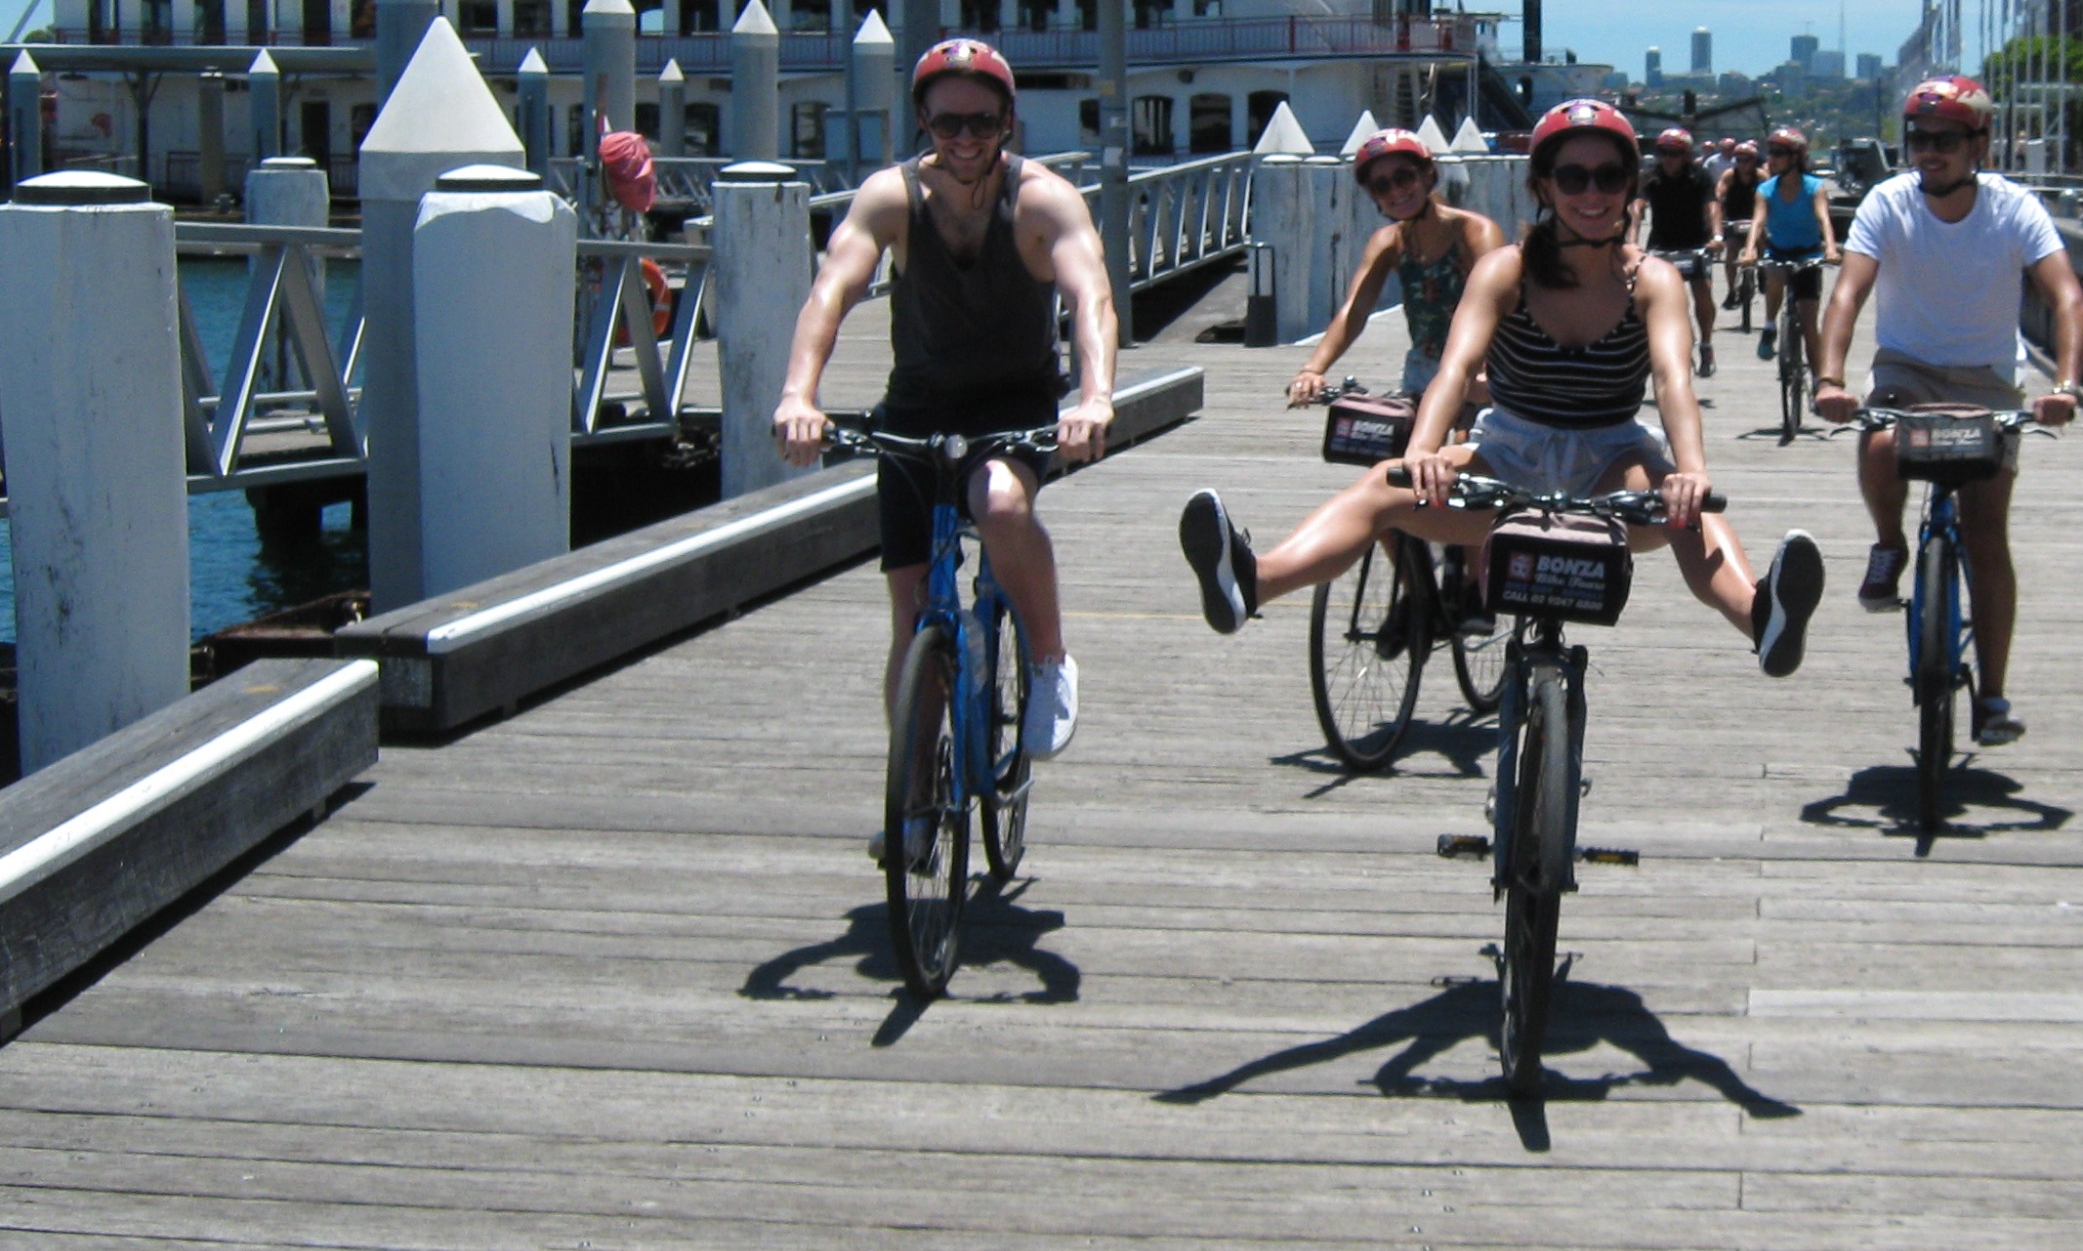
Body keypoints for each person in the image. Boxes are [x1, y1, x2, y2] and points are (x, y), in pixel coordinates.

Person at [1177, 99, 1824, 676]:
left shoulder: (1651, 278)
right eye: (1573, 177)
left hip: (1612, 454)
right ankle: (1251, 583)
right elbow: (1455, 369)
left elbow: (1672, 379)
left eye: (1609, 176)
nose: (1592, 193)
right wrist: (1423, 450)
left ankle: (1761, 617)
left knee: (1691, 516)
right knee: (1379, 489)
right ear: (1543, 185)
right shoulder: (1505, 270)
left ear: (1631, 185)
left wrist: (1691, 470)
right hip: (1508, 449)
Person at [774, 38, 1115, 772]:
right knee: (912, 615)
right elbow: (830, 293)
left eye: (983, 124)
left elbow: (1092, 298)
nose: (965, 140)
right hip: (918, 409)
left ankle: (1051, 659)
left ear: (1009, 123)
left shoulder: (1042, 199)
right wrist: (799, 394)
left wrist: (1095, 397)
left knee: (998, 506)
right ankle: (917, 789)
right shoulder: (891, 197)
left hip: (1013, 405)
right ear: (922, 121)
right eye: (948, 124)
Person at [1810, 77, 2083, 748]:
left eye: (1944, 140)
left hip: (1988, 380)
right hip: (1908, 368)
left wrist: (2068, 387)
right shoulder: (1888, 202)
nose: (1927, 153)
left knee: (1986, 529)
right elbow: (1847, 294)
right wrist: (1829, 378)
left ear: (1979, 144)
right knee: (1879, 443)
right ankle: (1890, 543)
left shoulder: (2015, 209)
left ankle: (1992, 696)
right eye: (1918, 139)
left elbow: (2069, 301)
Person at [1285, 129, 1506, 403]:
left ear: (1427, 174)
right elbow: (1354, 311)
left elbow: (1497, 306)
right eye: (1382, 186)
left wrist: (1484, 369)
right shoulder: (1388, 242)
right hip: (1424, 367)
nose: (1396, 191)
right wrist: (1312, 370)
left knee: (1468, 441)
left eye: (1404, 177)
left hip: (1483, 365)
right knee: (1395, 437)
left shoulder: (1474, 233)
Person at [1636, 125, 1720, 377]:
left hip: (1696, 242)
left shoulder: (1700, 175)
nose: (1668, 159)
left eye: (1674, 153)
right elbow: (1637, 207)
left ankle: (1706, 343)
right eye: (1663, 152)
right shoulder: (1651, 176)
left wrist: (1717, 235)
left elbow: (1713, 206)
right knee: (1656, 298)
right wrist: (1631, 238)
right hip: (1662, 244)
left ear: (1686, 154)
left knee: (1702, 292)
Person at [1748, 126, 1832, 364]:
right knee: (1775, 273)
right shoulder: (1766, 189)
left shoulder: (1814, 187)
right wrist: (1751, 249)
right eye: (1770, 152)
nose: (1771, 159)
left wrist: (1831, 248)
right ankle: (1770, 325)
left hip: (1808, 254)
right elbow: (1758, 221)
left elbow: (1823, 217)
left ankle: (1819, 382)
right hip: (1779, 251)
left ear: (1796, 157)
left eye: (1778, 153)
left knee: (1808, 324)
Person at [1716, 138, 1764, 310]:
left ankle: (1762, 272)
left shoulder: (1761, 176)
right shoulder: (1730, 175)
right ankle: (1731, 290)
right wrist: (1718, 216)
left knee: (1762, 240)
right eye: (1739, 160)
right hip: (1734, 219)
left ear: (1754, 161)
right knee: (1731, 250)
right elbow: (1719, 196)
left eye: (1747, 159)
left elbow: (1770, 197)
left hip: (1755, 218)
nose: (1743, 164)